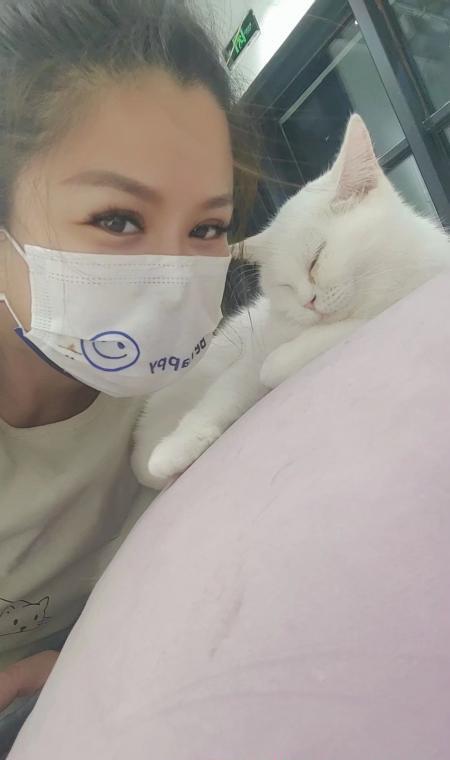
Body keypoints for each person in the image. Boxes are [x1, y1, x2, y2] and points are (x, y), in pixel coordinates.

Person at [0, 0, 257, 752]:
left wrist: (85, 665)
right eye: (117, 219)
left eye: (207, 228)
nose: (174, 282)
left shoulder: (205, 395)